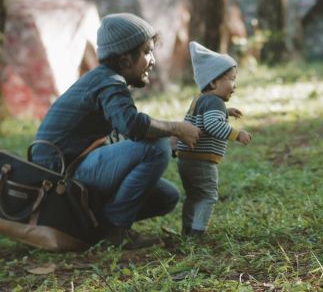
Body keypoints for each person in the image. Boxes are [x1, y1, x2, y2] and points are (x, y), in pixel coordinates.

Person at [31, 13, 201, 249]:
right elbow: (132, 125)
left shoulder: (104, 80)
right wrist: (176, 128)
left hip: (73, 172)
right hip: (61, 180)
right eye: (146, 52)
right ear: (124, 60)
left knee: (166, 196)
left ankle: (94, 228)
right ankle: (114, 229)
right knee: (156, 148)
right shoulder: (109, 82)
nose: (152, 60)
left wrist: (169, 136)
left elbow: (123, 134)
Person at [175, 42, 252, 237]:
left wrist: (225, 112)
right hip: (201, 160)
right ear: (213, 82)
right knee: (208, 196)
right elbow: (212, 125)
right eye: (231, 79)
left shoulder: (201, 99)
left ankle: (187, 230)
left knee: (193, 196)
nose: (235, 85)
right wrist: (237, 134)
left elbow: (203, 119)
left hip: (187, 158)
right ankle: (197, 233)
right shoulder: (215, 101)